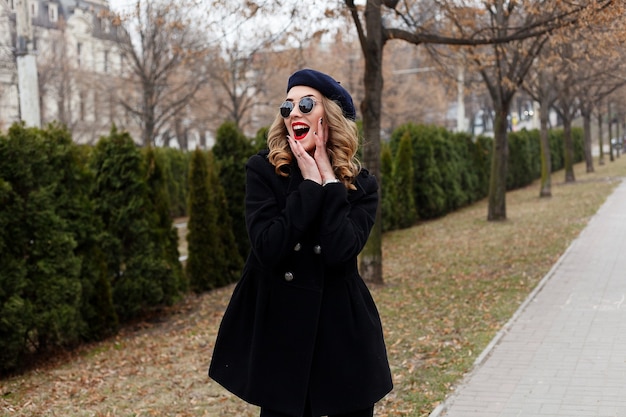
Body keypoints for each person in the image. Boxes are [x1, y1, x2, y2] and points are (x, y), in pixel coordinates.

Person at [208, 68, 393, 417]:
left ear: (330, 117)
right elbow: (268, 247)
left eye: (306, 104)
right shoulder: (263, 171)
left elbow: (340, 251)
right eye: (287, 106)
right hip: (281, 340)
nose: (294, 112)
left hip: (342, 340)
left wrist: (329, 181)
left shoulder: (362, 186)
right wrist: (308, 186)